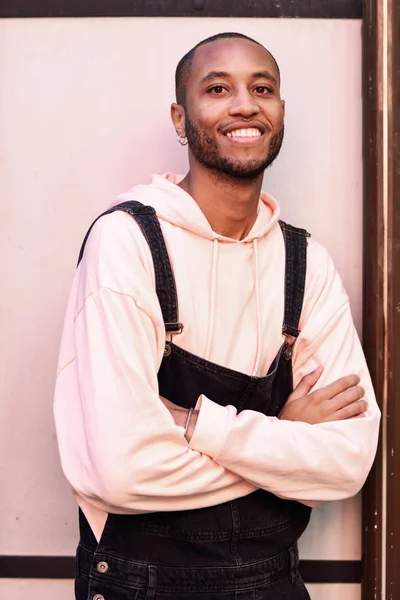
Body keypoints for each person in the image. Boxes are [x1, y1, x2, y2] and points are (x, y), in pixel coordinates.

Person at [54, 32, 380, 600]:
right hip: (140, 584)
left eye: (263, 88)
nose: (244, 104)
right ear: (181, 119)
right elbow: (118, 469)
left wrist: (191, 424)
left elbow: (347, 462)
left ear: (279, 112)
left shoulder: (306, 264)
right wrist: (286, 437)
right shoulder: (128, 242)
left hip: (274, 582)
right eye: (217, 88)